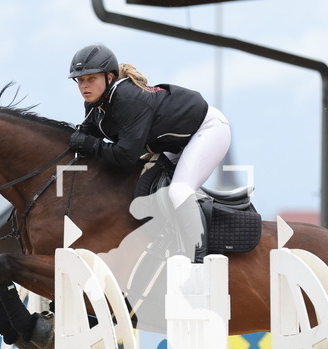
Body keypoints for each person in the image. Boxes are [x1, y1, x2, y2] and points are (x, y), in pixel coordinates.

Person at [67, 43, 231, 256]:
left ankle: (198, 260)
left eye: (91, 79)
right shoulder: (95, 103)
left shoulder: (127, 99)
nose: (84, 86)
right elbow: (86, 137)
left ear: (109, 78)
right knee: (143, 185)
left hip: (208, 129)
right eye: (80, 80)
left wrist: (89, 144)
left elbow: (124, 156)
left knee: (179, 190)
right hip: (177, 143)